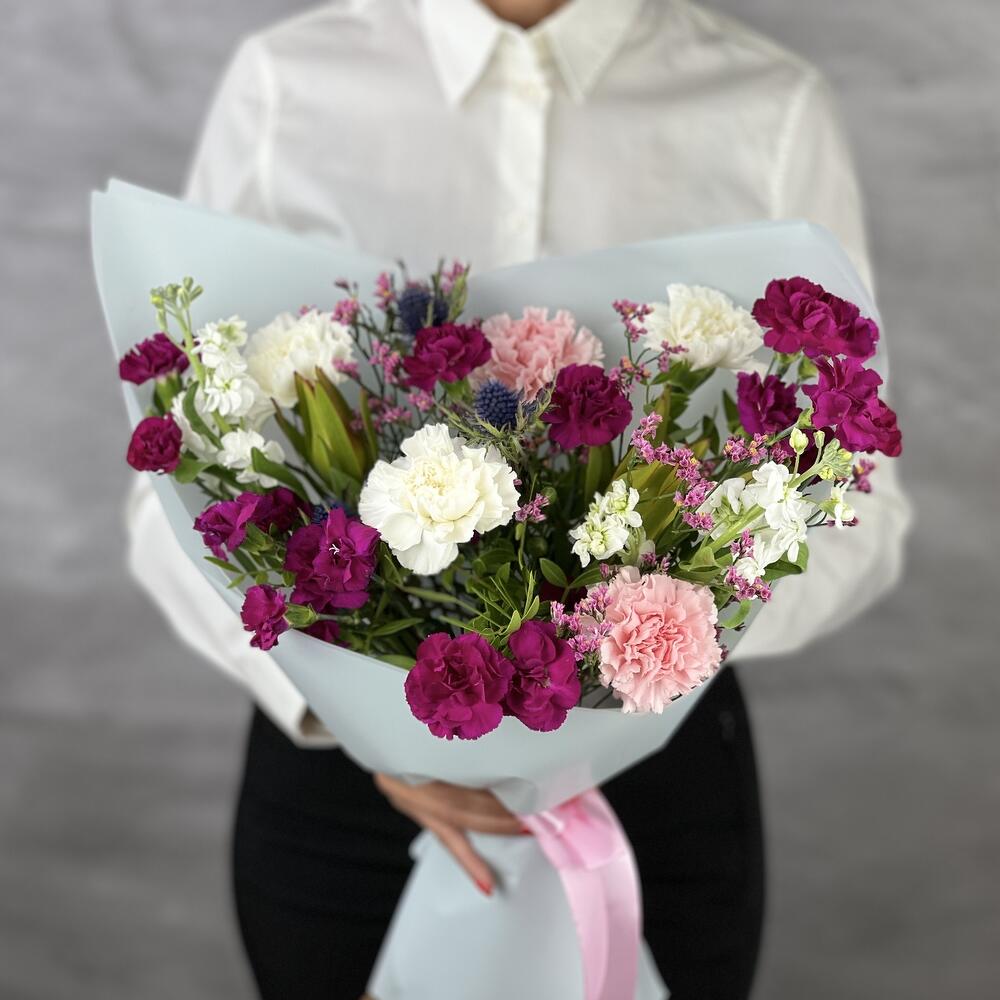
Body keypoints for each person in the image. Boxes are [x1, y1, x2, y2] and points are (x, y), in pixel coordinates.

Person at [125, 1, 911, 997]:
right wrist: (354, 721)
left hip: (651, 777)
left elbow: (862, 512)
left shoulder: (770, 107)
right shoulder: (288, 83)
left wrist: (630, 660)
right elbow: (171, 498)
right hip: (345, 786)